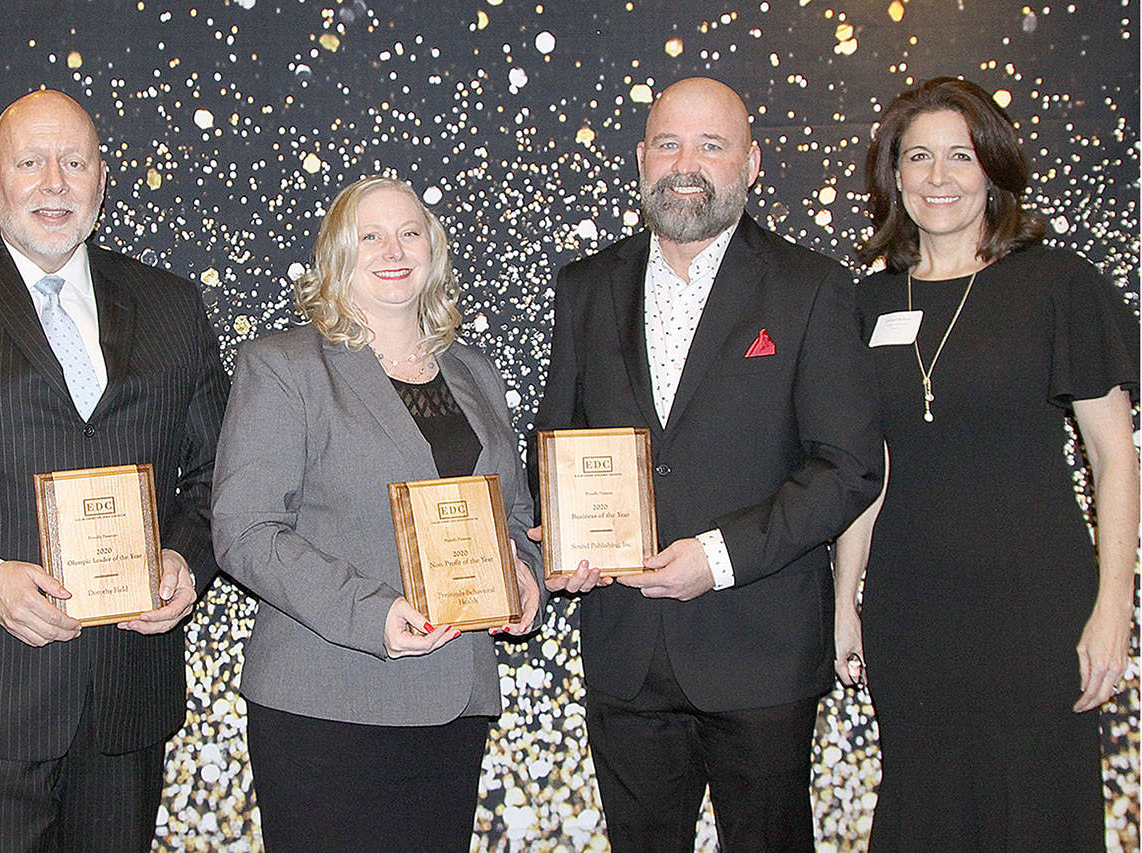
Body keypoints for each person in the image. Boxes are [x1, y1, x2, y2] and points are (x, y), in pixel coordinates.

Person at [0, 90, 228, 850]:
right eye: (29, 162)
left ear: (101, 178)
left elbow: (220, 478)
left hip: (123, 704)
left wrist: (186, 562)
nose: (53, 183)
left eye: (74, 162)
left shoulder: (172, 306)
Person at [530, 77, 884, 851]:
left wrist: (718, 558)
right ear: (640, 158)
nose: (685, 163)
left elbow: (849, 465)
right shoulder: (585, 287)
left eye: (711, 145)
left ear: (752, 163)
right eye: (668, 143)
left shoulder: (810, 287)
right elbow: (556, 436)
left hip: (759, 651)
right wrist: (562, 541)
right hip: (625, 650)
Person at [834, 77, 1139, 851]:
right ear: (894, 175)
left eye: (960, 156)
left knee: (1038, 813)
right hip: (912, 615)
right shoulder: (868, 307)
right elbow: (867, 470)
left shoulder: (1057, 284)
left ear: (993, 169)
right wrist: (845, 600)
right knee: (926, 814)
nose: (939, 177)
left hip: (1036, 611)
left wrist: (1113, 611)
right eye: (919, 157)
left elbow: (1114, 457)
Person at [211, 175, 542, 852]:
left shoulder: (474, 372)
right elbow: (244, 530)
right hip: (327, 703)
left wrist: (524, 575)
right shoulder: (284, 365)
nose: (393, 249)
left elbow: (511, 511)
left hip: (454, 703)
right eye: (370, 235)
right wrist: (372, 613)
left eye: (410, 232)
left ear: (433, 250)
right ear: (337, 254)